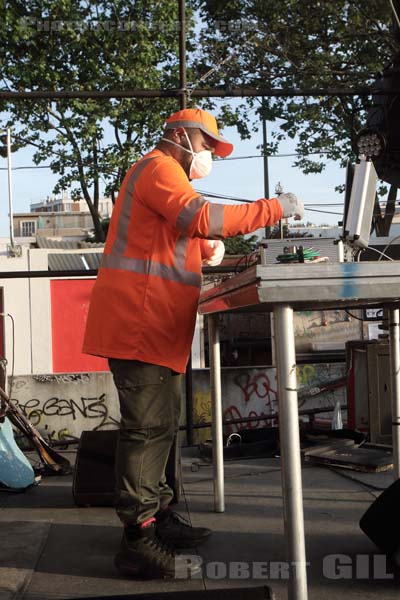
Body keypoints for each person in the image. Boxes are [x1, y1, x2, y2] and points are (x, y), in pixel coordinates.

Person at [82, 107, 304, 579]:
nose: (208, 156)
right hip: (138, 322)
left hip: (154, 325)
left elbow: (167, 233)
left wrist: (205, 248)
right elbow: (200, 216)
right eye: (207, 145)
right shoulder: (159, 168)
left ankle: (157, 518)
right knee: (146, 429)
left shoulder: (161, 175)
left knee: (162, 426)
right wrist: (274, 208)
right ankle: (138, 540)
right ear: (182, 135)